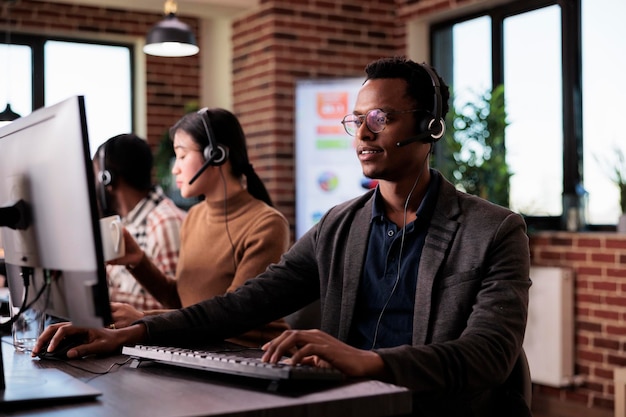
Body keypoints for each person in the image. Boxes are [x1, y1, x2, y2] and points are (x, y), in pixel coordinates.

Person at [35, 57, 531, 417]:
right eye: (356, 120)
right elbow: (241, 304)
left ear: (430, 126)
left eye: (380, 119)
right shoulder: (340, 225)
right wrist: (128, 335)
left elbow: (488, 354)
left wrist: (367, 362)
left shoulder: (494, 230)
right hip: (350, 407)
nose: (362, 134)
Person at [103, 108, 291, 346]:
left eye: (181, 156)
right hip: (202, 350)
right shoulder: (194, 216)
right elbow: (182, 300)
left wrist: (143, 320)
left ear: (216, 155)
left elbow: (234, 315)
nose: (175, 168)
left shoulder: (266, 224)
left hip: (251, 355)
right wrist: (138, 261)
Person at [94, 133, 186, 312]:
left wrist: (103, 298)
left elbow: (177, 308)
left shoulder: (164, 222)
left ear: (108, 178)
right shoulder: (128, 222)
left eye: (94, 176)